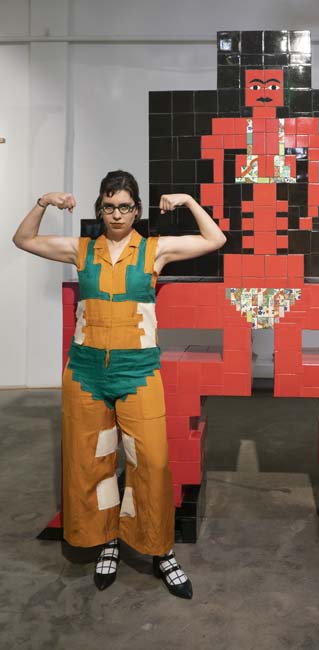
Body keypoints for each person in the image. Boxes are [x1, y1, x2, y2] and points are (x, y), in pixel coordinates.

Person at [12, 169, 227, 599]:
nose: (116, 214)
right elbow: (24, 240)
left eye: (125, 206)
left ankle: (159, 549)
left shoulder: (155, 251)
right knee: (93, 461)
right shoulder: (81, 249)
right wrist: (42, 202)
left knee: (151, 461)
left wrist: (186, 199)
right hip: (86, 373)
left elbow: (215, 240)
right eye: (109, 206)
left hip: (138, 372)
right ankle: (108, 539)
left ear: (137, 210)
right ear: (100, 208)